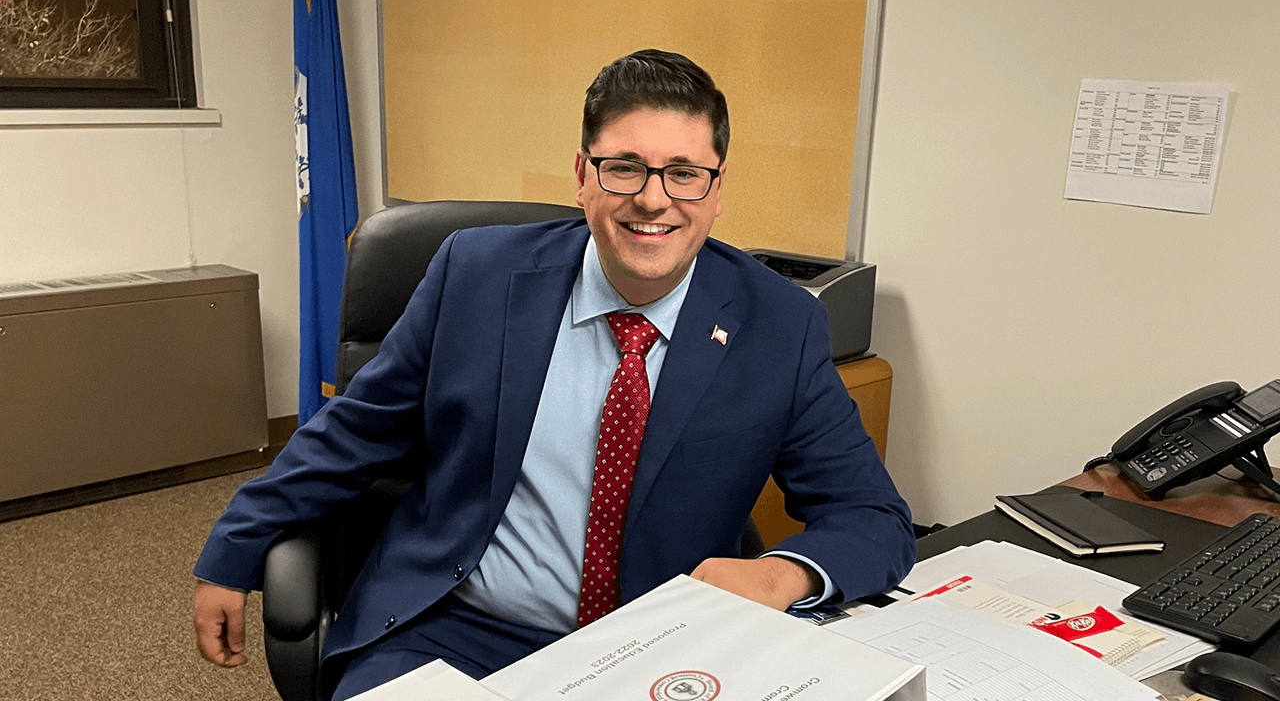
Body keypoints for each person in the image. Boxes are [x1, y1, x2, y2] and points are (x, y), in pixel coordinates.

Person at [192, 48, 914, 700]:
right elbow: (351, 434)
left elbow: (873, 518)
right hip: (456, 632)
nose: (654, 199)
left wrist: (778, 575)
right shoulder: (476, 275)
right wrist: (235, 545)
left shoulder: (778, 326)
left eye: (684, 174)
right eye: (623, 166)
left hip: (660, 652)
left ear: (717, 190)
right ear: (582, 176)